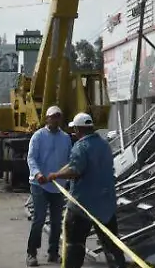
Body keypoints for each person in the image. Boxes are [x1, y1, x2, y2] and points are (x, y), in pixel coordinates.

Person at [40, 113, 125, 268]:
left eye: (75, 129)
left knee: (74, 245)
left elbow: (75, 170)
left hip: (82, 205)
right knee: (112, 245)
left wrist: (56, 175)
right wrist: (56, 174)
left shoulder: (80, 146)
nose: (74, 132)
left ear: (79, 129)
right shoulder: (104, 145)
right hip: (106, 204)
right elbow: (74, 164)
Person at [27, 106, 72, 267]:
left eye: (58, 117)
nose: (55, 119)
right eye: (53, 117)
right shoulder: (38, 136)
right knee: (38, 219)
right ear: (47, 119)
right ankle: (31, 253)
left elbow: (69, 159)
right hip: (40, 185)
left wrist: (67, 177)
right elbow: (31, 158)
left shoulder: (66, 138)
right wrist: (38, 173)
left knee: (56, 221)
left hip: (57, 186)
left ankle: (53, 253)